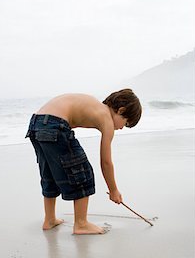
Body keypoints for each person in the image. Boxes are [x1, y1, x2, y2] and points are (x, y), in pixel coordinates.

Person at [25, 89, 142, 235]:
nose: (121, 128)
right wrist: (113, 190)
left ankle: (49, 219)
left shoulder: (95, 106)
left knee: (49, 172)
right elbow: (106, 161)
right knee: (83, 173)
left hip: (36, 124)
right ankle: (81, 224)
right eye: (125, 122)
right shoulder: (106, 119)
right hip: (55, 125)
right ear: (121, 110)